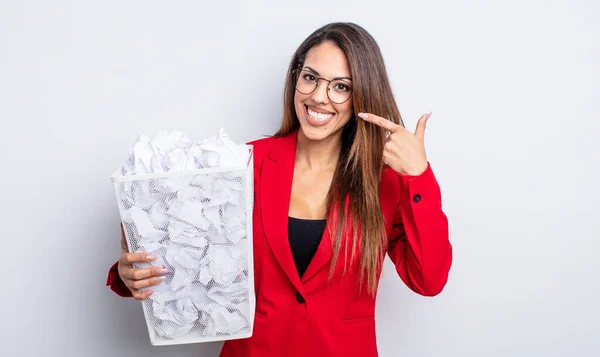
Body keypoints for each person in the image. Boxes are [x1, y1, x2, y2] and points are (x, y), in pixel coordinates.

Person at [106, 22, 452, 357]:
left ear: (362, 94)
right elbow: (184, 250)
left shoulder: (384, 182)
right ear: (296, 78)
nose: (318, 96)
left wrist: (418, 176)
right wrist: (130, 275)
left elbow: (429, 279)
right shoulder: (243, 164)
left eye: (340, 86)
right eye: (311, 78)